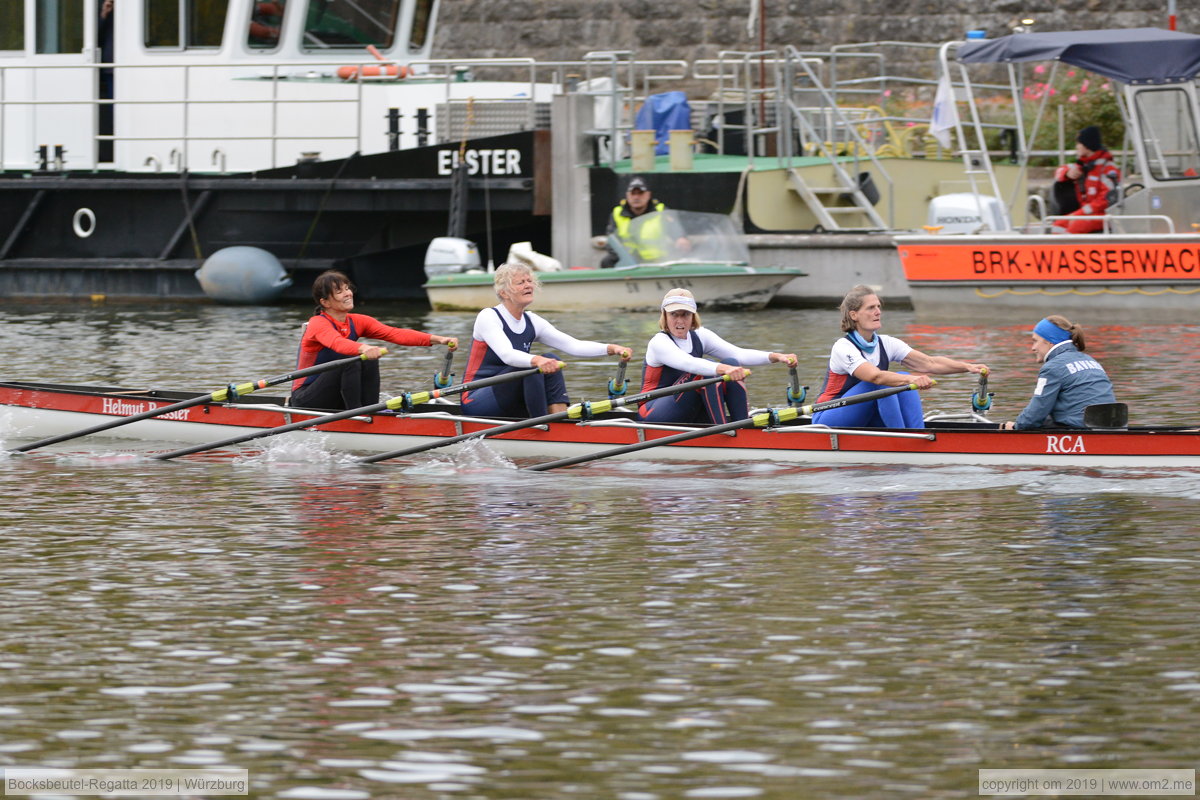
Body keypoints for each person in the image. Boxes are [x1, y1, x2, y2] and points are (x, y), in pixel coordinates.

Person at [461, 263, 632, 417]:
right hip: (476, 399)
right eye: (520, 282)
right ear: (503, 292)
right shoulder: (489, 316)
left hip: (509, 396)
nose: (528, 285)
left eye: (529, 281)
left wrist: (611, 348)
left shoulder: (532, 321)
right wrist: (537, 360)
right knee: (533, 366)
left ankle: (559, 420)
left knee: (553, 360)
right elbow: (507, 355)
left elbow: (573, 345)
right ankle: (543, 426)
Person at [813, 285, 988, 428]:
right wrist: (913, 379)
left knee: (903, 379)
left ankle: (917, 434)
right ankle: (904, 443)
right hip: (829, 416)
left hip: (864, 413)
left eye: (878, 307)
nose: (878, 312)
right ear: (854, 315)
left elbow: (930, 363)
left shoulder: (886, 343)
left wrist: (966, 367)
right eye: (871, 308)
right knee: (889, 382)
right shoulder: (843, 347)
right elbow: (876, 376)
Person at [291, 270, 457, 409]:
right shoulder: (317, 323)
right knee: (353, 357)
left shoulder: (357, 321)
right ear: (325, 302)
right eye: (340, 292)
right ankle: (357, 415)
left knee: (369, 359)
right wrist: (363, 348)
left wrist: (439, 339)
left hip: (335, 393)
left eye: (347, 288)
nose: (348, 293)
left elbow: (396, 333)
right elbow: (337, 343)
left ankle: (370, 411)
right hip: (306, 397)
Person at [639, 288, 797, 424]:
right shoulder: (659, 342)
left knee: (731, 361)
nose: (680, 320)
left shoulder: (700, 335)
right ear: (664, 315)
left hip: (686, 406)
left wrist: (775, 356)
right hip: (654, 411)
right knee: (707, 369)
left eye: (685, 314)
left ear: (693, 316)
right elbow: (688, 363)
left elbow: (738, 353)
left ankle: (740, 425)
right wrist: (723, 369)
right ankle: (724, 433)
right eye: (674, 314)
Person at [1001, 316, 1115, 430]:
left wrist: (1016, 426)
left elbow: (1037, 412)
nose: (1033, 348)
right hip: (1112, 428)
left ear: (1049, 341)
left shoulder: (1053, 367)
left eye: (1035, 341)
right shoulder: (1091, 360)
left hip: (1083, 432)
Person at [600, 176, 690, 268]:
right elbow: (612, 241)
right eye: (633, 193)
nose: (636, 197)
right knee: (606, 262)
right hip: (628, 262)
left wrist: (680, 238)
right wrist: (624, 258)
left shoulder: (661, 211)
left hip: (658, 262)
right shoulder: (617, 213)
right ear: (627, 195)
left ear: (648, 195)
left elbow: (675, 229)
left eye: (640, 193)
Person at [1051, 126, 1121, 234]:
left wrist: (1082, 212)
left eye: (1079, 143)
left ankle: (1068, 250)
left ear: (1087, 145)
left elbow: (1107, 199)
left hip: (1103, 215)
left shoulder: (1108, 169)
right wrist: (1067, 173)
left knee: (1075, 226)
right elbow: (1059, 171)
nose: (1077, 147)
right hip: (1086, 213)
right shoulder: (1084, 165)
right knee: (1058, 225)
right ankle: (1055, 249)